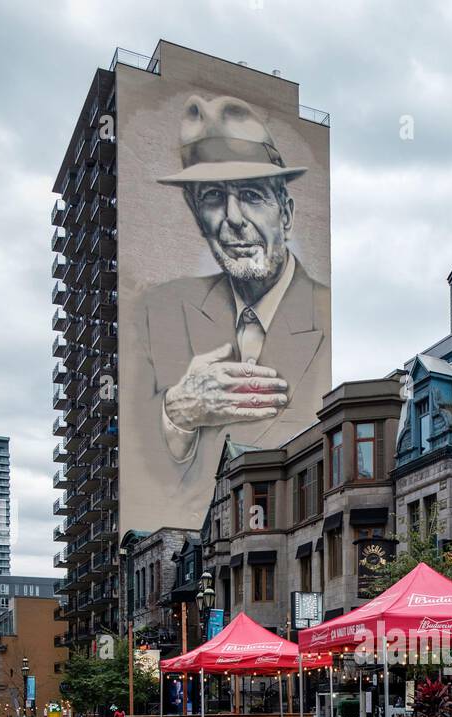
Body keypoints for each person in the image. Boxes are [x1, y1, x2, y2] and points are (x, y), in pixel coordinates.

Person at [130, 94, 331, 526]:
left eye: (253, 195)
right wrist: (177, 414)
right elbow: (147, 462)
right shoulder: (158, 309)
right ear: (197, 217)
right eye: (214, 198)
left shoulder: (323, 311)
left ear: (288, 213)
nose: (233, 218)